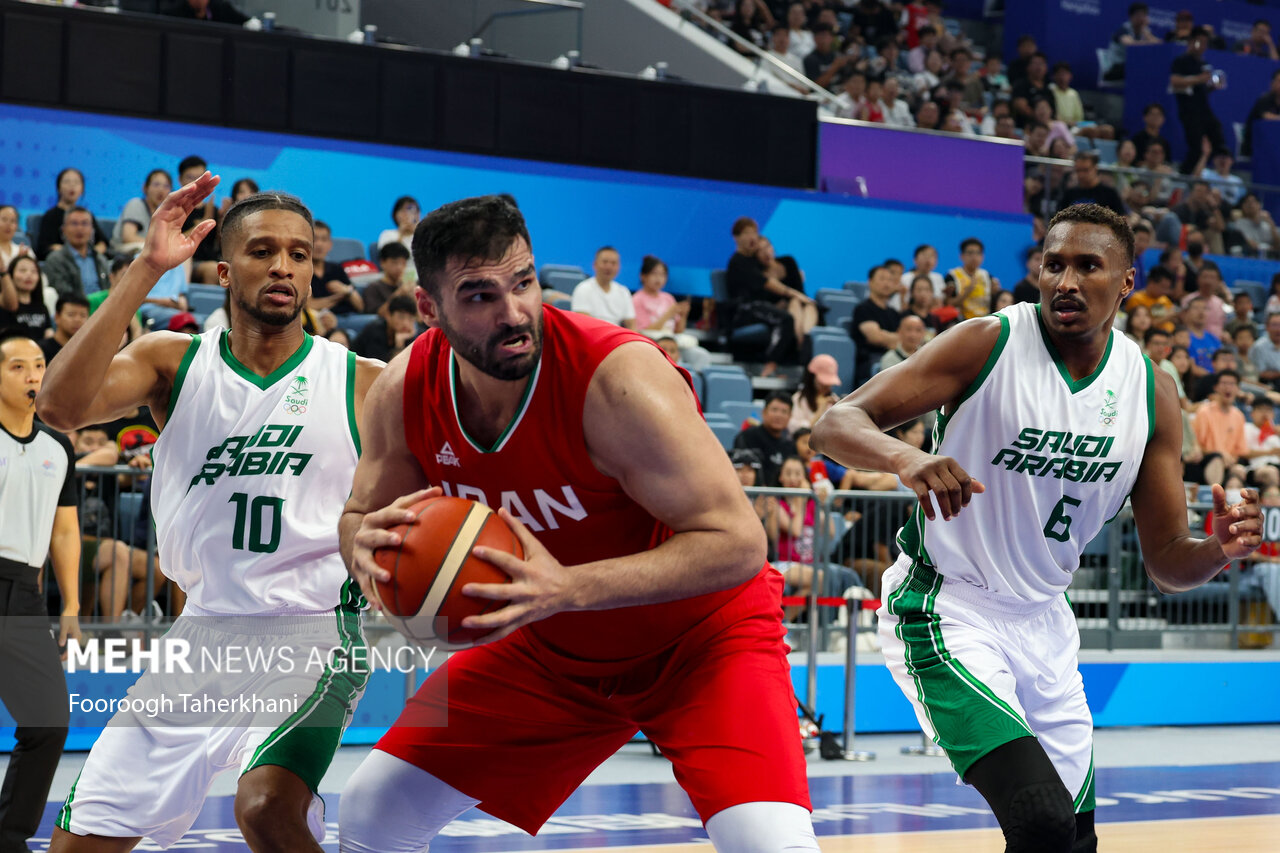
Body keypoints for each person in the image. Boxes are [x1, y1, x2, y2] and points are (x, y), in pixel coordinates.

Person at [336, 194, 816, 853]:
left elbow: (739, 542)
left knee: (772, 845)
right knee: (370, 812)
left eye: (524, 282)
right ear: (429, 308)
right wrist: (369, 565)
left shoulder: (618, 380)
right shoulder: (404, 389)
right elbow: (362, 517)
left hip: (701, 641)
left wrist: (567, 588)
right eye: (478, 294)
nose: (513, 313)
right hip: (552, 648)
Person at [810, 203, 1262, 853]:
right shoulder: (987, 342)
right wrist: (906, 457)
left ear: (1127, 283)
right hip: (947, 605)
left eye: (1087, 266)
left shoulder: (1150, 389)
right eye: (1054, 264)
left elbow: (1166, 561)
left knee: (1074, 840)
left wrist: (1219, 547)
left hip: (1046, 622)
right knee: (1040, 818)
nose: (1066, 281)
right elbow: (835, 423)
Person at [40, 174, 381, 853]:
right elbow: (59, 406)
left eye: (298, 253)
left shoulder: (363, 380)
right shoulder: (175, 361)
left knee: (265, 810)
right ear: (224, 270)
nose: (282, 265)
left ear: (313, 270)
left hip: (312, 634)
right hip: (201, 634)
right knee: (78, 846)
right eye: (261, 251)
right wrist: (147, 268)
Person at [0, 331, 81, 853]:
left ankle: (8, 838)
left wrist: (71, 603)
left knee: (49, 721)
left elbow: (65, 529)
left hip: (25, 594)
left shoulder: (58, 446)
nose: (33, 375)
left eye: (39, 365)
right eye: (18, 366)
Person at [724, 218, 798, 375]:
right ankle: (770, 365)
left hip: (758, 308)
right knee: (785, 319)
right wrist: (792, 293)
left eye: (754, 233)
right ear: (736, 237)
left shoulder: (755, 261)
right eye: (747, 233)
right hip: (742, 310)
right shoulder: (738, 261)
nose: (752, 237)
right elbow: (767, 283)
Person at [1170, 28, 1227, 175]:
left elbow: (1201, 88)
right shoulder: (1181, 61)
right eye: (1198, 42)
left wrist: (1212, 86)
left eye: (1205, 43)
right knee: (1196, 147)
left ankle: (1211, 172)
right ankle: (1184, 175)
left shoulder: (1203, 64)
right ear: (1190, 42)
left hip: (1204, 109)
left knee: (1218, 139)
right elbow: (1174, 81)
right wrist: (1199, 79)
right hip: (1189, 110)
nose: (1201, 46)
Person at [35, 168, 110, 261]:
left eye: (76, 182)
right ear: (58, 188)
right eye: (67, 182)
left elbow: (102, 242)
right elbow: (44, 248)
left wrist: (90, 255)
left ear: (82, 189)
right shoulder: (50, 216)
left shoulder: (86, 215)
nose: (72, 185)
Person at [850, 264, 901, 386]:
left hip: (894, 357)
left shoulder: (894, 313)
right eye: (882, 279)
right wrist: (895, 338)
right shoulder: (863, 309)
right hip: (870, 361)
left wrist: (886, 336)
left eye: (890, 280)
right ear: (870, 282)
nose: (887, 283)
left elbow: (904, 339)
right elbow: (875, 337)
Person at [44, 207, 111, 298]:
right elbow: (63, 292)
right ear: (63, 229)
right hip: (74, 309)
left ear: (92, 229)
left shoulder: (101, 259)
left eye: (84, 223)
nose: (80, 228)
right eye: (74, 223)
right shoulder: (55, 260)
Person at [571, 246, 635, 329]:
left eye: (613, 263)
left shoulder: (623, 291)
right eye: (605, 262)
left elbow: (632, 325)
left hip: (617, 337)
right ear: (595, 264)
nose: (609, 267)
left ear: (619, 267)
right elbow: (583, 324)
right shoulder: (583, 289)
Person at [113, 169, 173, 252]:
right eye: (156, 184)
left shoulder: (162, 213)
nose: (161, 190)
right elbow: (128, 237)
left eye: (166, 186)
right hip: (124, 252)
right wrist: (157, 246)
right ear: (145, 187)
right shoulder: (136, 204)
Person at [1058, 152, 1126, 218]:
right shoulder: (1069, 194)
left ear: (1095, 168)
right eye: (1078, 170)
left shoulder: (1109, 193)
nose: (1081, 175)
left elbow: (1120, 218)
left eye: (1085, 170)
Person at [0, 256, 52, 340]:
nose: (29, 275)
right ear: (10, 275)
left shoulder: (42, 307)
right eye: (22, 270)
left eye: (34, 271)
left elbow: (48, 335)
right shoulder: (5, 304)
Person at [353, 294, 418, 361]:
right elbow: (382, 368)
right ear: (388, 316)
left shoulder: (410, 336)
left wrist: (400, 341)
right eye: (401, 317)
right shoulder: (375, 331)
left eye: (410, 318)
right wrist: (399, 345)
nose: (406, 323)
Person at [1106, 2, 1160, 81]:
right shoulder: (1124, 30)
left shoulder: (1145, 31)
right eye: (1138, 15)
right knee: (1139, 68)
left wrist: (1145, 30)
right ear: (1131, 16)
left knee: (1148, 67)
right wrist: (1148, 43)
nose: (1141, 19)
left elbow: (1158, 45)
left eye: (1143, 15)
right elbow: (1131, 45)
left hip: (1132, 67)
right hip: (1116, 68)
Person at [946, 237, 996, 320]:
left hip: (985, 319)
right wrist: (967, 291)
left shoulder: (986, 275)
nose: (974, 257)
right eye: (970, 253)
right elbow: (949, 304)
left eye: (978, 253)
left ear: (982, 257)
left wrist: (995, 292)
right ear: (961, 256)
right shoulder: (952, 276)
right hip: (961, 321)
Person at [789, 354, 840, 435]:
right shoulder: (798, 399)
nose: (826, 386)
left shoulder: (835, 400)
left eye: (829, 383)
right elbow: (797, 431)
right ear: (812, 377)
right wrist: (820, 410)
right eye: (823, 382)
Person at [362, 242, 412, 318]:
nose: (399, 267)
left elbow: (420, 318)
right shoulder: (373, 288)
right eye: (394, 263)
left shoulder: (408, 287)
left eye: (403, 263)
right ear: (382, 263)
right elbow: (377, 315)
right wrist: (399, 294)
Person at [40, 295, 91, 365]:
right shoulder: (41, 350)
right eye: (71, 314)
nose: (77, 320)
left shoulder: (90, 350)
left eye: (83, 315)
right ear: (57, 317)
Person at [1242, 69, 1280, 158]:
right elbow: (1267, 117)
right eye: (1279, 81)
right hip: (1255, 146)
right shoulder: (1264, 100)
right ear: (1272, 83)